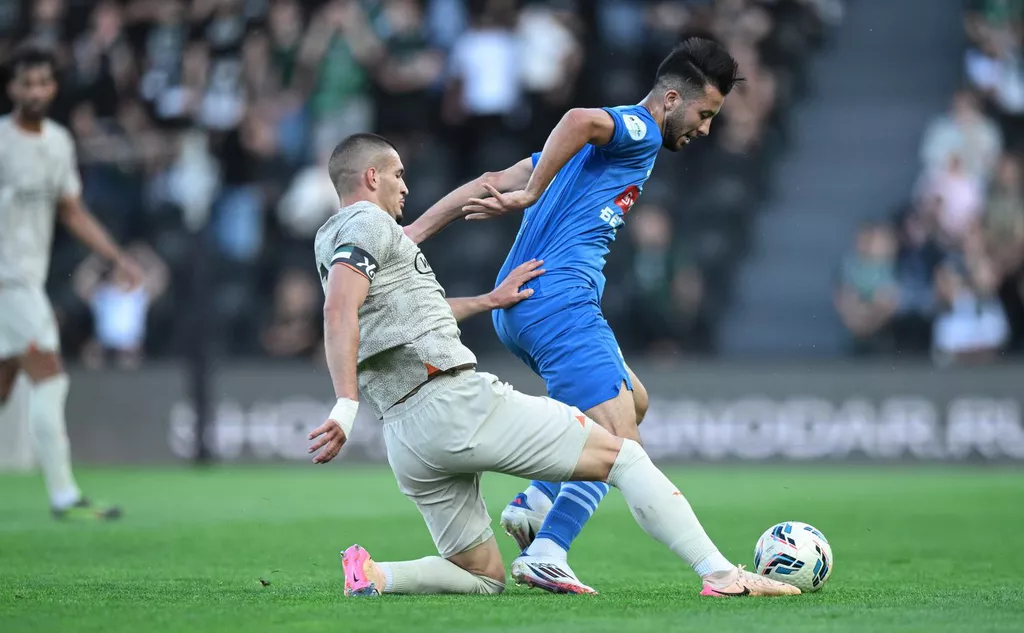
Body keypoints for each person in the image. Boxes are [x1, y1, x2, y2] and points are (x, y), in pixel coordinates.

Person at [310, 132, 798, 599]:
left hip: (405, 437)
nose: (405, 186)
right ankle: (719, 573)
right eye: (397, 174)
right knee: (624, 455)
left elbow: (398, 317)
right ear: (371, 177)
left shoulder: (330, 242)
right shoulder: (367, 222)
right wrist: (345, 405)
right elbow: (338, 310)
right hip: (452, 402)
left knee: (482, 576)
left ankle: (375, 573)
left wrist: (488, 300)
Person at [403, 37, 740, 592]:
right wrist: (531, 194)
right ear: (671, 99)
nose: (705, 129)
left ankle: (538, 502)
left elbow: (491, 181)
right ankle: (560, 551)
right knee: (623, 448)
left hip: (519, 308)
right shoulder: (640, 129)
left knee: (634, 401)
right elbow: (579, 118)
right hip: (560, 302)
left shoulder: (579, 157)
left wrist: (412, 233)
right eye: (704, 114)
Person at [0, 42, 141, 519]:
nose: (35, 91)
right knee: (51, 377)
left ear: (54, 87)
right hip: (8, 282)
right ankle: (64, 496)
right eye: (27, 83)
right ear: (12, 88)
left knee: (4, 388)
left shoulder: (58, 142)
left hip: (26, 281)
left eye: (43, 82)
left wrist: (116, 257)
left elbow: (72, 211)